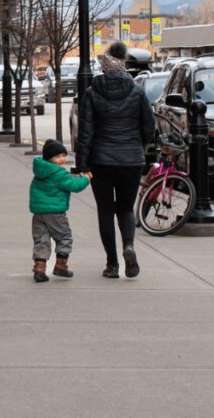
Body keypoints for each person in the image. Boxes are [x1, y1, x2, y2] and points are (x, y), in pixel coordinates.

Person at [77, 41, 155, 279]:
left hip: (101, 160)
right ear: (123, 65)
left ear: (103, 66)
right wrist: (139, 148)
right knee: (125, 209)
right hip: (131, 159)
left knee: (105, 211)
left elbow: (85, 132)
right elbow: (149, 128)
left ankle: (112, 264)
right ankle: (128, 246)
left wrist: (82, 164)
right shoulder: (138, 92)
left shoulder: (91, 93)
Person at [29, 139, 92, 282]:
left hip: (39, 213)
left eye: (64, 155)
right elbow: (74, 185)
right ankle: (61, 265)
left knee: (41, 239)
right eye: (58, 156)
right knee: (64, 237)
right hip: (55, 212)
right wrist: (86, 179)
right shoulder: (58, 173)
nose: (62, 159)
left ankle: (39, 268)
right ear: (49, 158)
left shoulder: (40, 172)